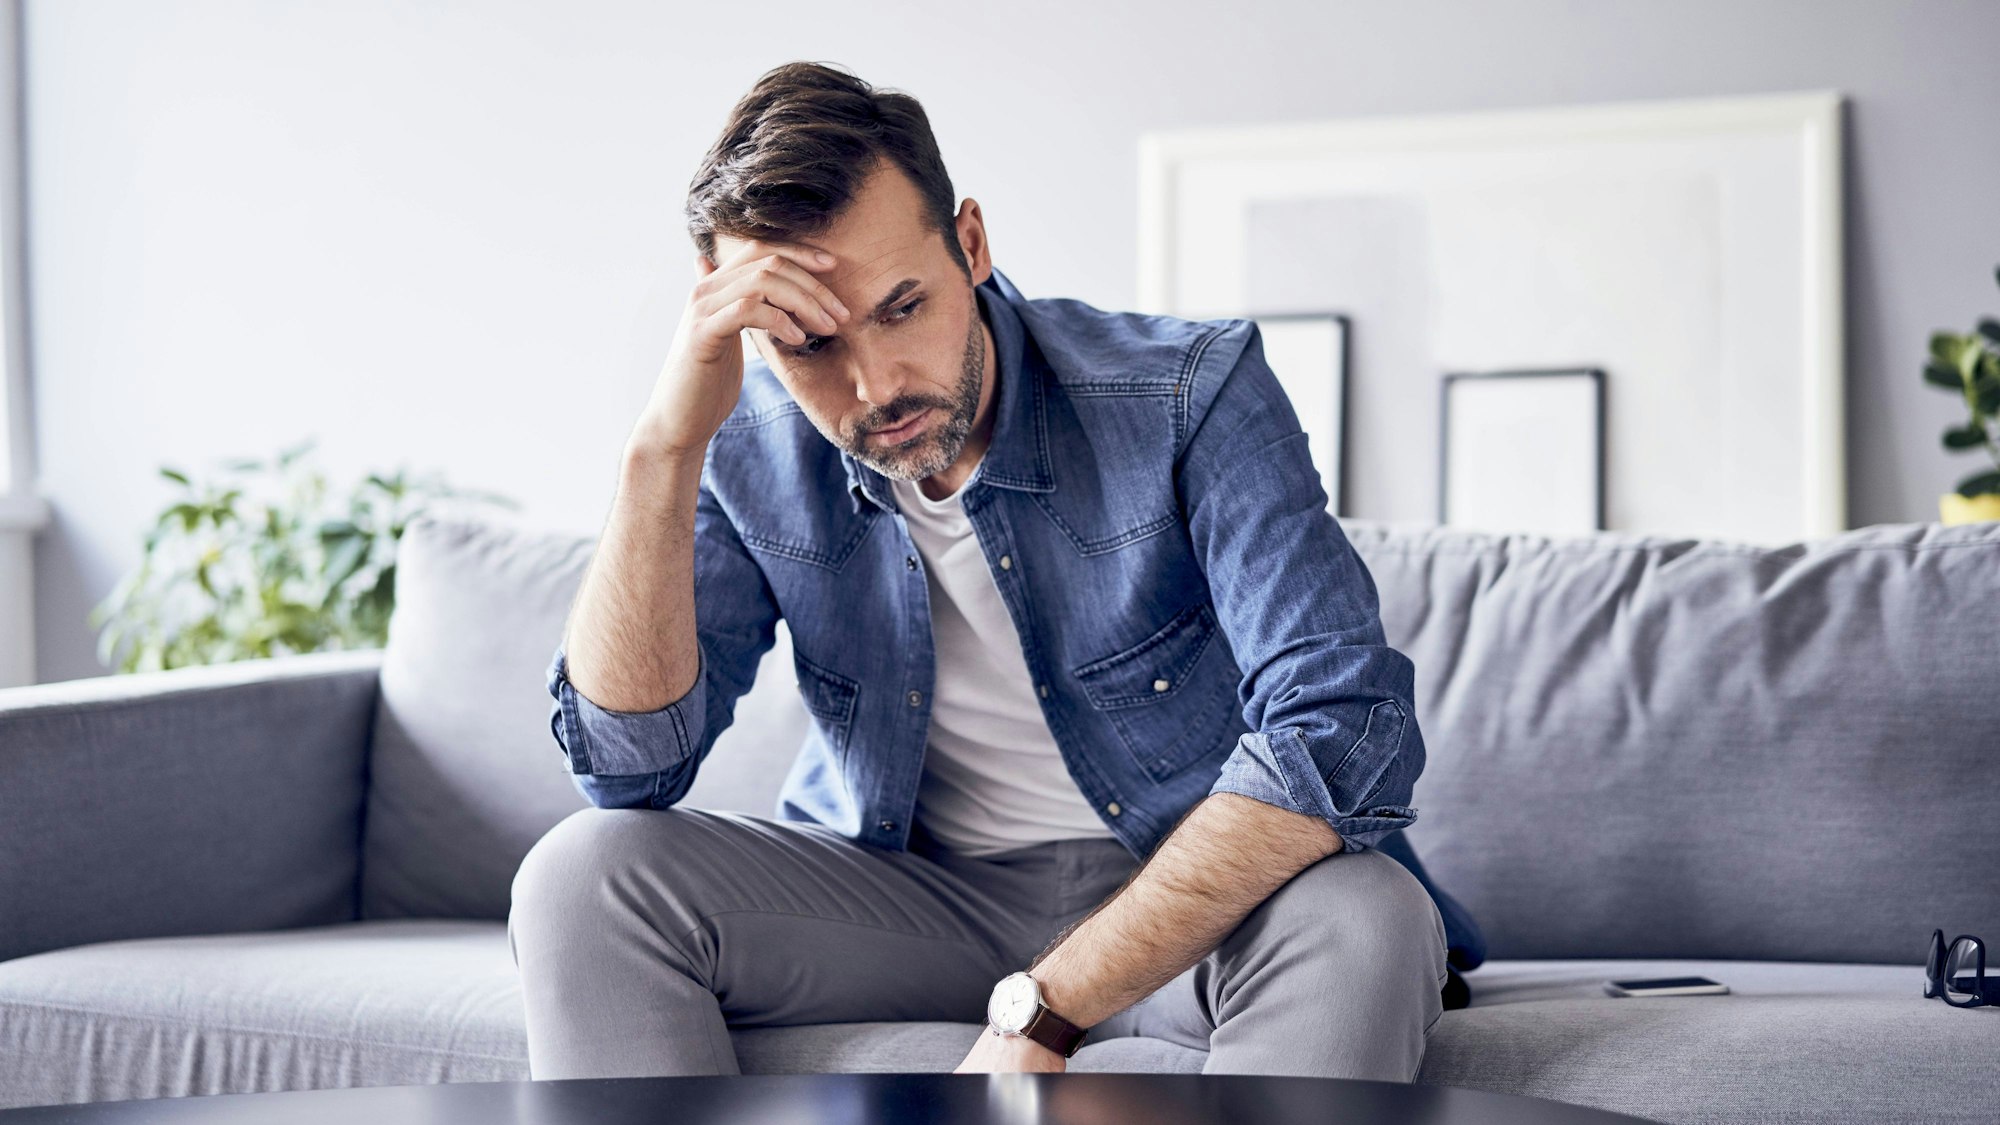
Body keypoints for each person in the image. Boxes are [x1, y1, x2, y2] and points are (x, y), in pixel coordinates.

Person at [508, 58, 1485, 1083]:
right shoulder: (738, 448)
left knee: (1367, 911)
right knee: (582, 874)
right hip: (910, 903)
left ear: (969, 243)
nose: (874, 386)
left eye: (900, 309)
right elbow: (627, 770)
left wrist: (1044, 1009)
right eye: (809, 346)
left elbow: (1337, 730)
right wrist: (661, 449)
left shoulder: (1183, 392)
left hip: (1192, 903)